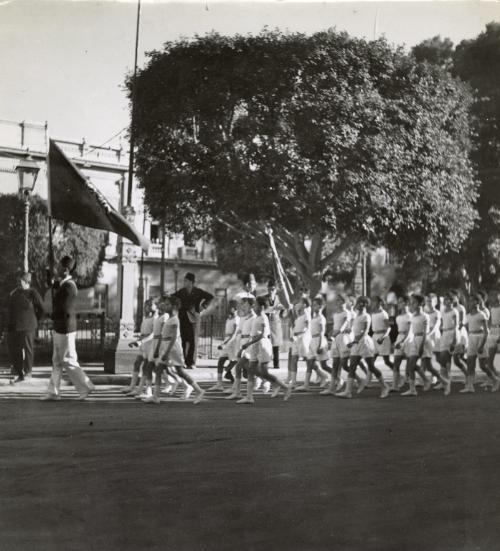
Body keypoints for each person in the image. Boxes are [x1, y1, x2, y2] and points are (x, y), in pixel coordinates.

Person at [42, 256, 95, 400]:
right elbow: (51, 284)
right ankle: (53, 392)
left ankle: (86, 387)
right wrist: (48, 270)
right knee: (57, 361)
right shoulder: (64, 284)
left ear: (65, 270)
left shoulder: (69, 286)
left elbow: (63, 308)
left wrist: (52, 315)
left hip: (65, 328)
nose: (57, 269)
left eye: (59, 267)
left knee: (68, 360)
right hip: (60, 327)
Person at [147, 296, 205, 404]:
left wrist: (167, 352)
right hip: (166, 346)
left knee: (180, 372)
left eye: (168, 304)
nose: (165, 306)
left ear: (174, 306)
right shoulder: (169, 318)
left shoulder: (174, 319)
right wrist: (159, 350)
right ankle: (155, 396)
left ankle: (199, 390)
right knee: (159, 370)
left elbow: (174, 338)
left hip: (172, 349)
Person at [236, 296, 291, 404]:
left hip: (263, 346)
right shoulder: (257, 317)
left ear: (260, 307)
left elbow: (262, 335)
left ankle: (285, 387)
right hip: (254, 346)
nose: (254, 306)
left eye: (255, 305)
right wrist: (250, 344)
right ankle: (249, 397)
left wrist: (248, 343)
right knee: (251, 370)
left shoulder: (263, 318)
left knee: (264, 373)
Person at [335, 296, 390, 399]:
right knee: (352, 367)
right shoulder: (356, 316)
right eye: (359, 303)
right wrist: (350, 335)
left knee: (371, 367)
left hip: (365, 343)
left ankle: (385, 386)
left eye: (362, 303)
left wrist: (355, 340)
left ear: (365, 305)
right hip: (356, 343)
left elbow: (365, 331)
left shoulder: (366, 316)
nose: (360, 305)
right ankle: (348, 392)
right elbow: (354, 329)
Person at [7, 272, 44, 382]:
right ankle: (19, 372)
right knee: (16, 350)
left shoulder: (33, 293)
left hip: (29, 326)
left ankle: (28, 372)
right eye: (19, 280)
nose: (19, 282)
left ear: (27, 282)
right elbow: (11, 309)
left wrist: (35, 320)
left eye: (21, 280)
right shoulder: (14, 293)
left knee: (28, 349)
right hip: (16, 326)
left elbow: (41, 309)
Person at [172, 272, 213, 369]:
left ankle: (192, 362)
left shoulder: (198, 292)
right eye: (184, 281)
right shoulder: (181, 292)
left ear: (191, 282)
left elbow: (210, 297)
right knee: (184, 339)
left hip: (194, 318)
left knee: (193, 341)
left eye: (186, 280)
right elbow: (172, 297)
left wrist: (203, 307)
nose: (184, 282)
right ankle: (185, 361)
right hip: (183, 318)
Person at [124, 298, 157, 395]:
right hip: (143, 344)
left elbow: (153, 334)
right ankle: (132, 386)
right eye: (146, 305)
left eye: (150, 305)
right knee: (137, 363)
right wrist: (137, 341)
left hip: (150, 345)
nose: (147, 307)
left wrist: (141, 342)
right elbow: (143, 333)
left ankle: (144, 389)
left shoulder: (155, 318)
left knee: (146, 368)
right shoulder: (146, 318)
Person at [296, 295, 330, 391]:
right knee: (309, 363)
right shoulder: (314, 317)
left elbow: (322, 333)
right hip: (312, 341)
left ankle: (336, 378)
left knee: (324, 365)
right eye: (313, 305)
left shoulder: (321, 318)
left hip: (319, 341)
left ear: (320, 306)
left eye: (316, 305)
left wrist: (320, 345)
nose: (314, 307)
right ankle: (306, 385)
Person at [401, 294, 431, 397]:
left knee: (426, 365)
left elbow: (425, 333)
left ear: (420, 303)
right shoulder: (413, 316)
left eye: (414, 302)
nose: (412, 304)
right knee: (411, 365)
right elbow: (410, 331)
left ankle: (428, 381)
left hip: (422, 340)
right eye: (411, 302)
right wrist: (403, 342)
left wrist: (422, 346)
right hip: (414, 340)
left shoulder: (425, 316)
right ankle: (413, 389)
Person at [208, 299, 239, 392]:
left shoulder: (237, 319)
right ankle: (219, 384)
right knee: (221, 361)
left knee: (234, 361)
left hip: (233, 342)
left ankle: (234, 383)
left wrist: (225, 343)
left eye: (231, 307)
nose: (229, 308)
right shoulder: (228, 318)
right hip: (227, 341)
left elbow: (234, 334)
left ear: (235, 308)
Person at [262, 279, 286, 369]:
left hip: (276, 324)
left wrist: (283, 308)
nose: (271, 291)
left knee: (276, 346)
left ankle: (276, 364)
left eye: (273, 289)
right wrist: (274, 308)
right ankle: (266, 364)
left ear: (276, 289)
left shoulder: (280, 299)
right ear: (267, 289)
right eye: (269, 289)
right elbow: (263, 309)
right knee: (266, 345)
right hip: (266, 324)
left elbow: (284, 313)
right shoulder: (264, 298)